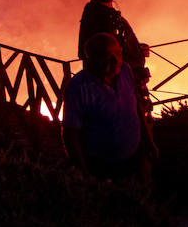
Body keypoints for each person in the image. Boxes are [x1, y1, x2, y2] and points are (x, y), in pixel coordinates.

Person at [70, 0, 157, 181]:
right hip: (118, 102)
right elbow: (97, 57)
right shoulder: (98, 14)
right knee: (132, 174)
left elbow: (113, 44)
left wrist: (134, 48)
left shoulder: (105, 12)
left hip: (128, 94)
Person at [62, 32, 145, 182]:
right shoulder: (78, 88)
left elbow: (136, 104)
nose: (116, 60)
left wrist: (148, 141)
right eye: (107, 56)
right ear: (91, 59)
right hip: (100, 167)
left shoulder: (125, 70)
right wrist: (83, 173)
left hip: (134, 157)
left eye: (119, 53)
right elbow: (70, 134)